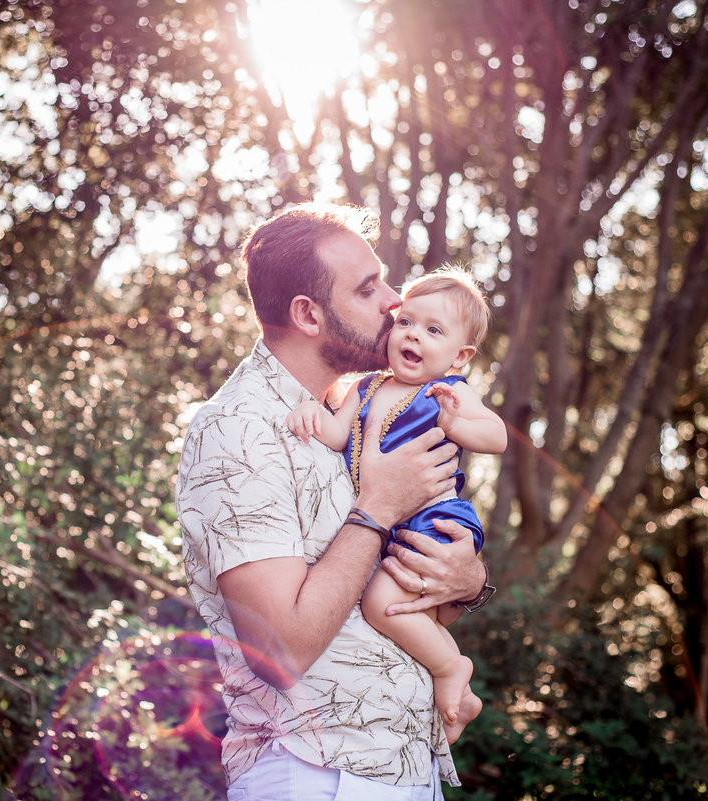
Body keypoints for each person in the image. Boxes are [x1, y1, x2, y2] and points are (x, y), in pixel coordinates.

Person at [176, 204, 494, 800]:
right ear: (307, 314)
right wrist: (375, 509)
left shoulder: (361, 414)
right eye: (369, 287)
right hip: (315, 776)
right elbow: (280, 650)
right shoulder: (240, 430)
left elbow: (376, 599)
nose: (395, 302)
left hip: (402, 769)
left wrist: (467, 579)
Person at [285, 266, 506, 744]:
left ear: (459, 355)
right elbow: (338, 433)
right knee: (413, 613)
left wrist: (454, 423)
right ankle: (454, 699)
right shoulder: (365, 388)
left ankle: (452, 669)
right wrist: (311, 412)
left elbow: (498, 436)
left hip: (433, 517)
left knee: (381, 602)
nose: (413, 335)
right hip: (389, 523)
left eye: (433, 330)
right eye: (406, 322)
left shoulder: (448, 392)